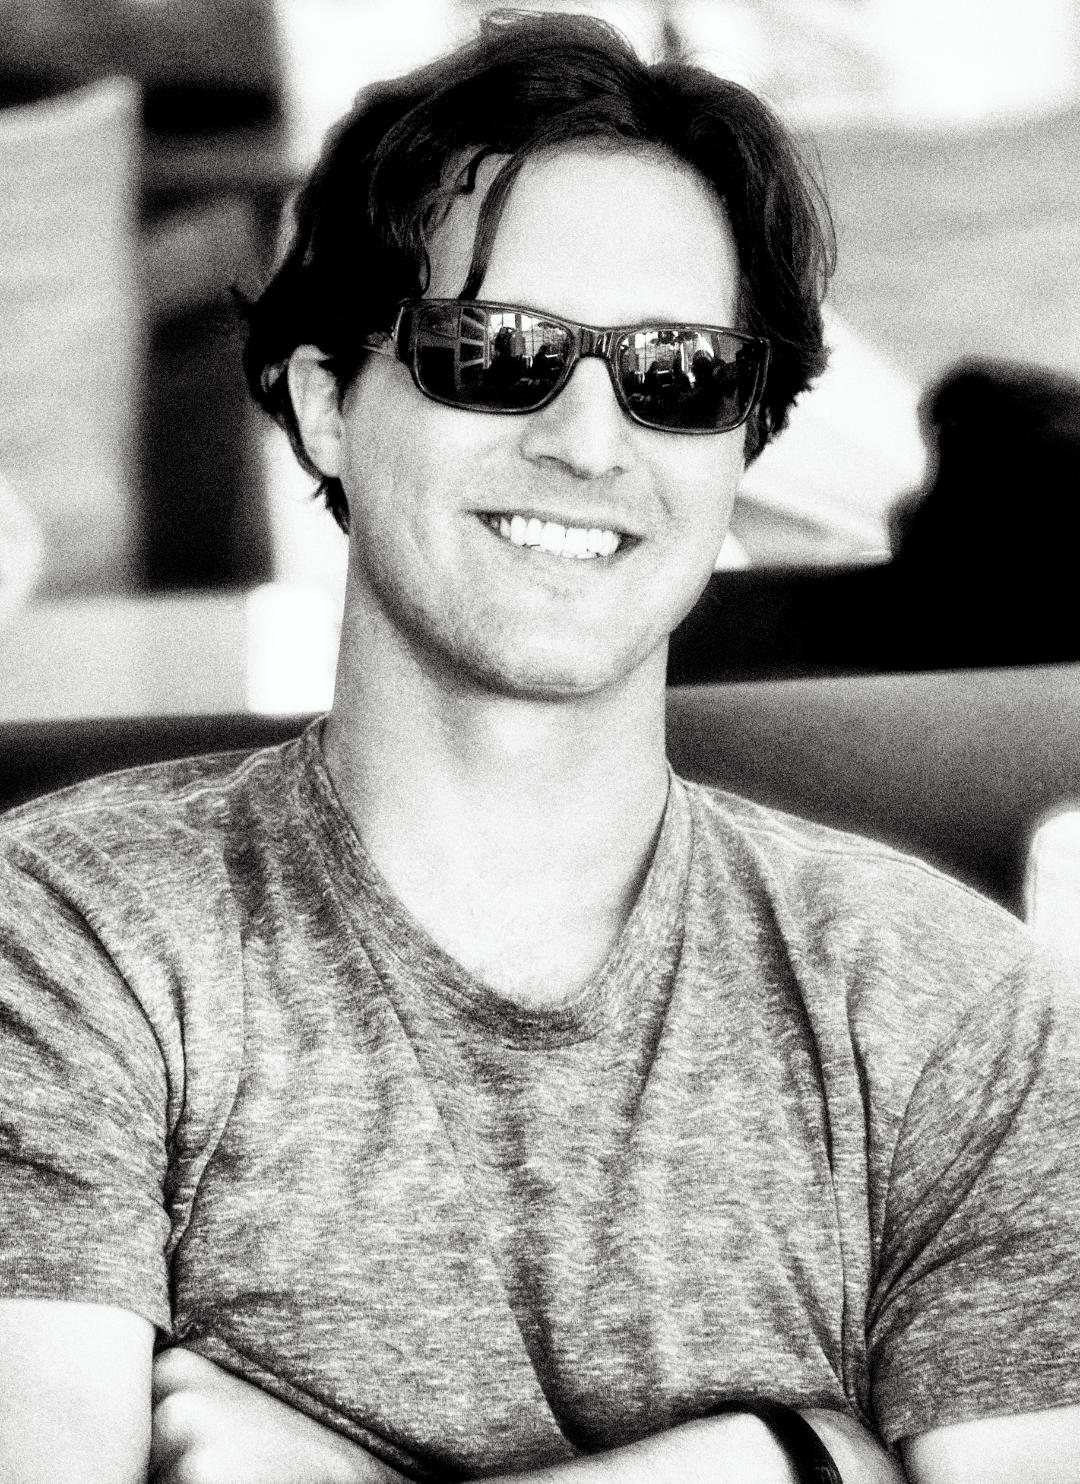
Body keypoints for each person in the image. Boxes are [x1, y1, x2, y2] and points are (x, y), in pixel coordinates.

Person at [1, 12, 1079, 1484]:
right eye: (496, 354)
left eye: (679, 374)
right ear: (326, 403)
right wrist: (805, 1463)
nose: (588, 439)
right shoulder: (69, 935)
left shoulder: (963, 1013)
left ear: (741, 445)